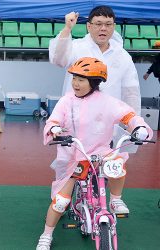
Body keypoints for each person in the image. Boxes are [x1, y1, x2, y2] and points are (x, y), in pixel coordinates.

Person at [35, 57, 153, 250]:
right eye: (74, 78)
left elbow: (129, 116)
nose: (75, 83)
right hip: (75, 156)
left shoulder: (107, 102)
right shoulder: (67, 101)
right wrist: (54, 129)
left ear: (95, 82)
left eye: (81, 79)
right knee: (61, 201)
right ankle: (46, 234)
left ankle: (115, 199)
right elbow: (53, 121)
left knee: (117, 163)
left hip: (101, 154)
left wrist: (138, 127)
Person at [49, 5, 141, 214]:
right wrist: (67, 29)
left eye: (108, 24)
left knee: (110, 163)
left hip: (108, 122)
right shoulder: (77, 46)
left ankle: (113, 199)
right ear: (89, 26)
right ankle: (60, 200)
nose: (103, 29)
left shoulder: (121, 54)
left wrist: (132, 123)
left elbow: (131, 90)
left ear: (114, 27)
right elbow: (57, 59)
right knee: (68, 163)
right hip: (75, 118)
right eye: (98, 24)